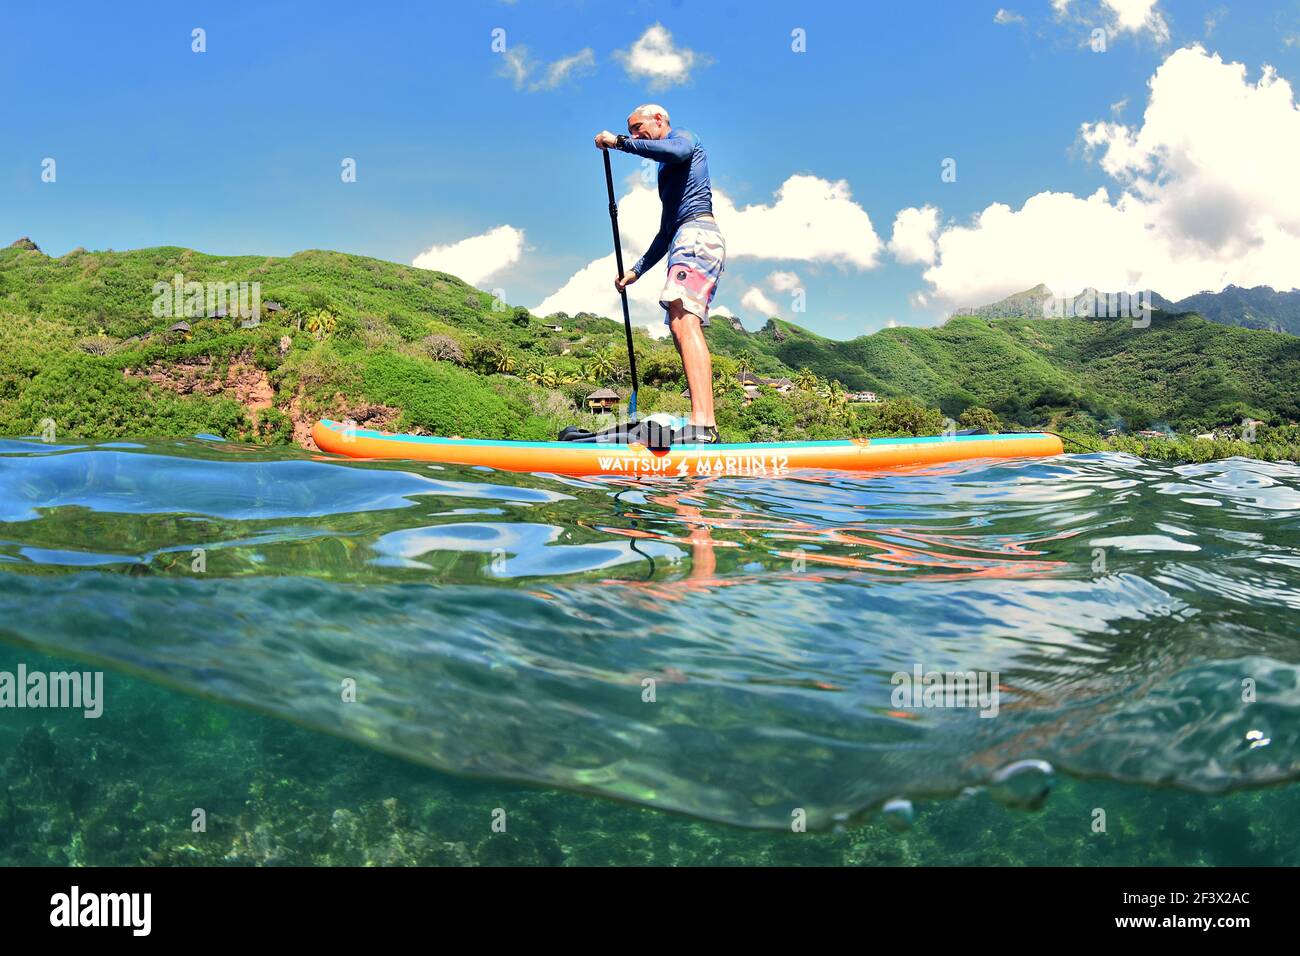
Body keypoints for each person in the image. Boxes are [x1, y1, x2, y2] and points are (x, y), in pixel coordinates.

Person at [594, 104, 724, 444]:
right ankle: (703, 423)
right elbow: (666, 232)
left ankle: (703, 424)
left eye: (639, 128)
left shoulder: (683, 139)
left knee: (685, 319)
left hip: (697, 235)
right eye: (632, 131)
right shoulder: (667, 174)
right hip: (682, 237)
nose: (637, 135)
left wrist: (619, 142)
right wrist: (635, 271)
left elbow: (674, 149)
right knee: (680, 323)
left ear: (659, 119)